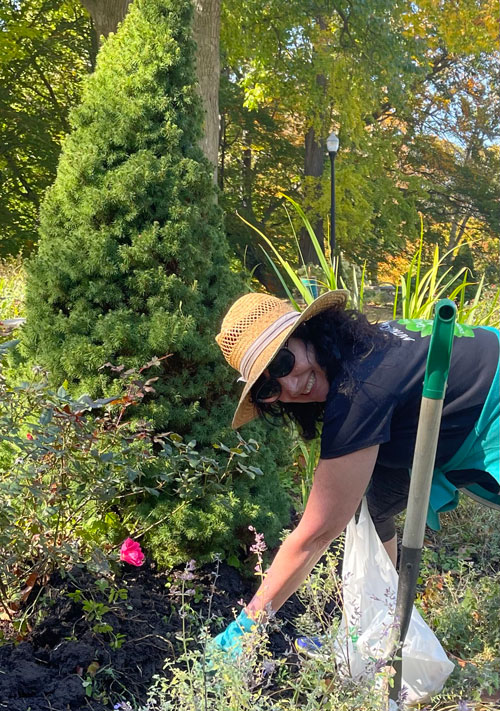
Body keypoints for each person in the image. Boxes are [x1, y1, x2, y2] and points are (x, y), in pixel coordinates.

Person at [212, 290, 500, 654]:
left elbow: (315, 534)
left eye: (283, 363)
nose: (290, 385)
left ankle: (377, 632)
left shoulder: (360, 390)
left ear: (311, 335)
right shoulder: (359, 351)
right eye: (269, 388)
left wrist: (248, 625)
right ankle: (373, 630)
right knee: (370, 506)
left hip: (495, 401)